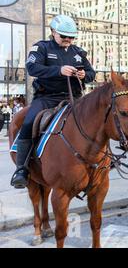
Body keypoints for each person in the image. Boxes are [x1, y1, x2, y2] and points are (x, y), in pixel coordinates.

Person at [10, 14, 96, 189]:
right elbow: (32, 68)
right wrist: (59, 70)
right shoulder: (41, 48)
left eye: (71, 37)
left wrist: (83, 75)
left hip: (74, 98)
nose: (67, 40)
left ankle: (96, 165)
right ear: (53, 32)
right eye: (63, 36)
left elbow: (91, 73)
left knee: (95, 123)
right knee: (28, 123)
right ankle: (22, 169)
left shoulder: (78, 52)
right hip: (47, 97)